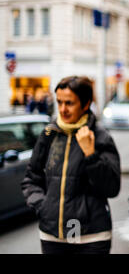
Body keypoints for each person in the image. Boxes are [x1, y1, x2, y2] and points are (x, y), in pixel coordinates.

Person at [21, 76, 121, 254]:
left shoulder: (100, 136)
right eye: (59, 102)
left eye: (69, 103)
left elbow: (112, 188)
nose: (62, 109)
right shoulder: (49, 134)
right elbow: (31, 178)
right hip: (53, 236)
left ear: (85, 104)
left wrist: (90, 154)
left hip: (91, 237)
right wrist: (43, 208)